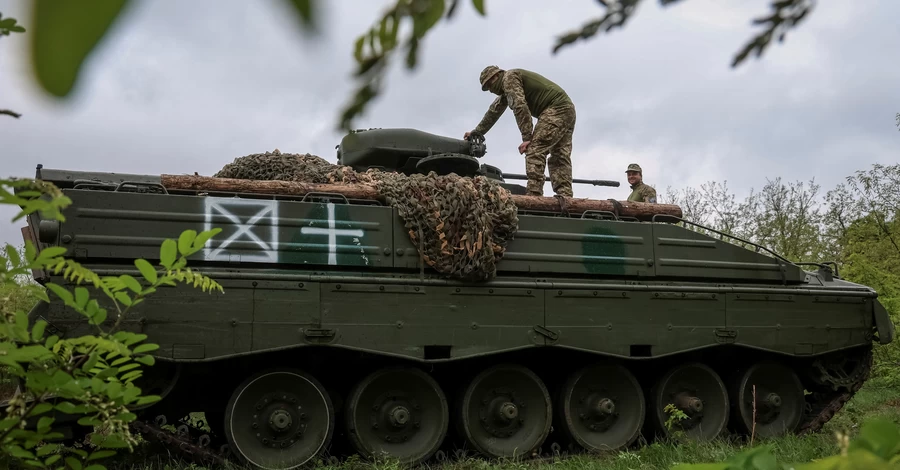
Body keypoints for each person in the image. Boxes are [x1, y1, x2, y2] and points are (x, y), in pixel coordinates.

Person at [464, 65, 576, 197]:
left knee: (535, 149)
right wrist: (477, 132)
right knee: (559, 154)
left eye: (489, 85)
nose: (490, 90)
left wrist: (527, 138)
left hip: (556, 108)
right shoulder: (508, 87)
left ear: (496, 76)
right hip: (567, 109)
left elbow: (520, 106)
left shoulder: (509, 78)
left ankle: (534, 195)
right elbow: (493, 112)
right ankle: (565, 196)